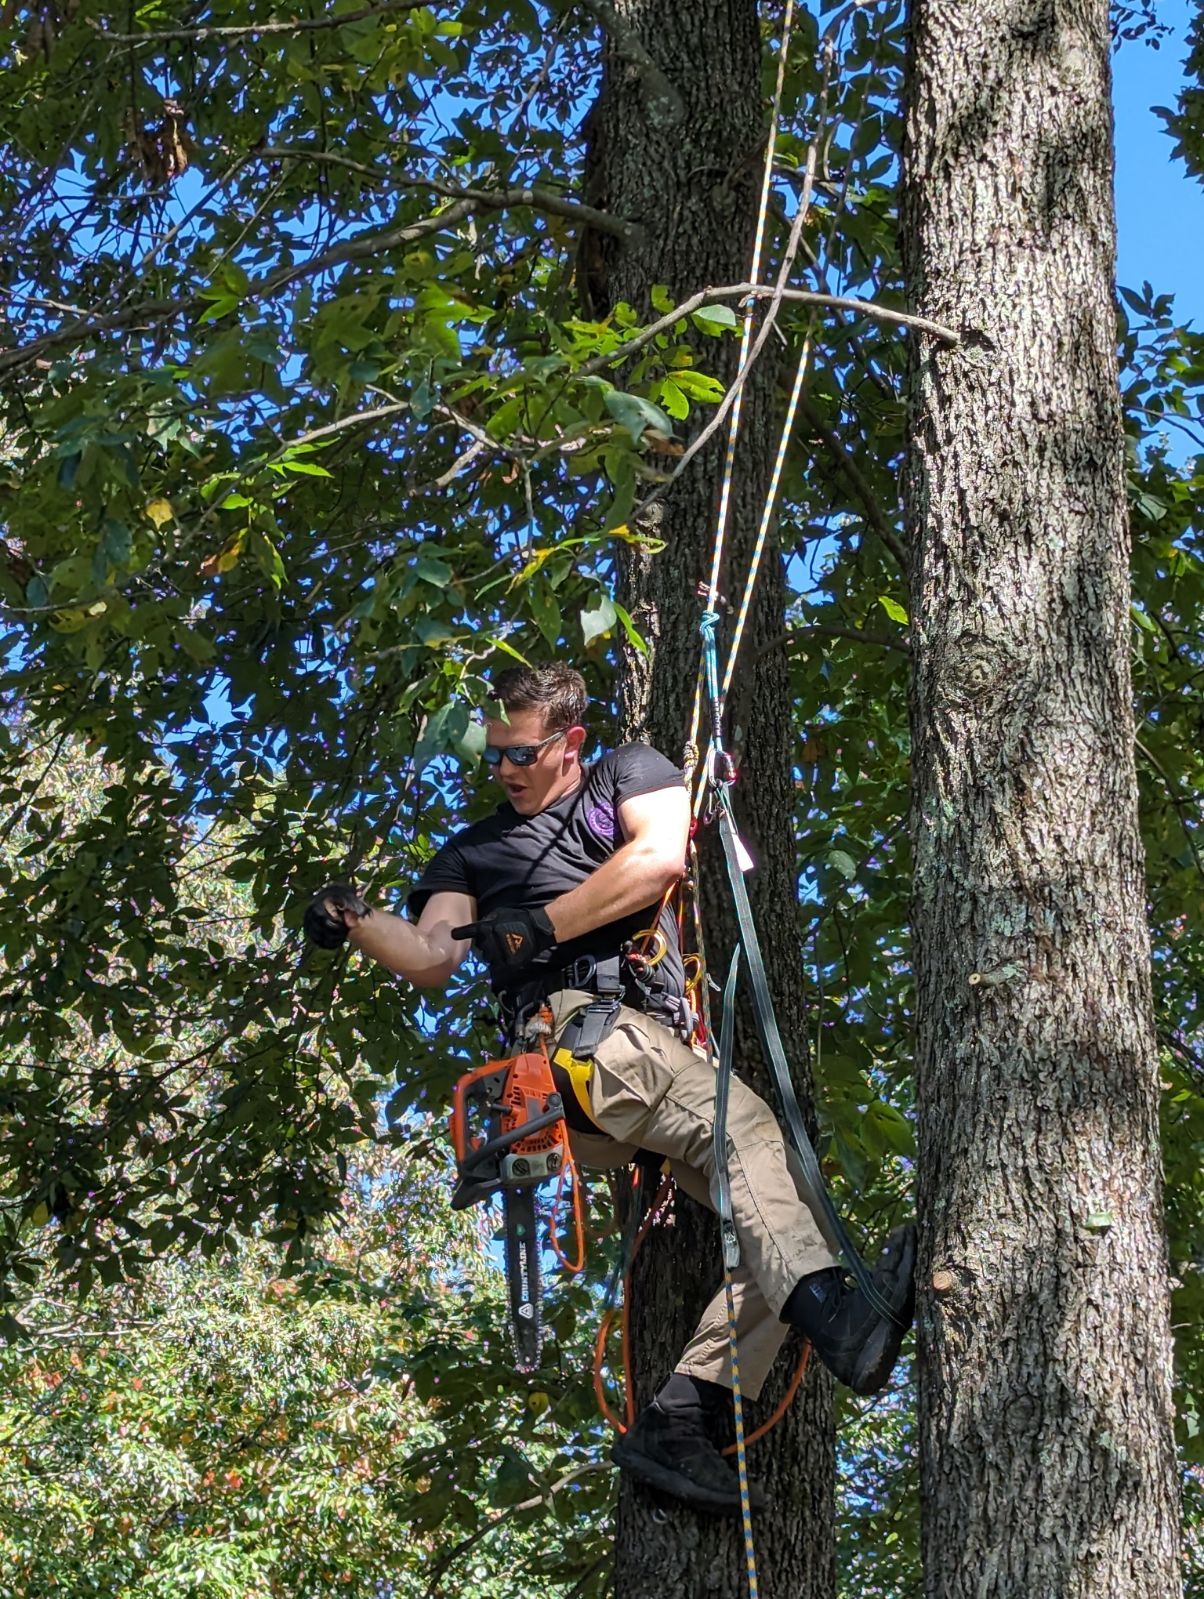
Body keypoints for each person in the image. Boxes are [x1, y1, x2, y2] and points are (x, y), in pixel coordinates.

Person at [304, 662, 915, 1516]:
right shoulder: (475, 850)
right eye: (494, 755)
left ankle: (682, 1416)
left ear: (571, 741)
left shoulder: (624, 773)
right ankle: (842, 1323)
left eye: (523, 752)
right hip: (574, 1047)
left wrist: (542, 924)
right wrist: (357, 919)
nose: (507, 769)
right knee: (743, 1125)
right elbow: (433, 956)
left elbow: (661, 855)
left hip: (638, 1053)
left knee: (779, 1223)